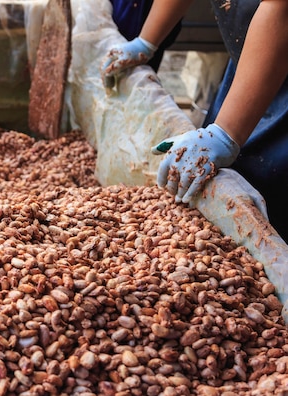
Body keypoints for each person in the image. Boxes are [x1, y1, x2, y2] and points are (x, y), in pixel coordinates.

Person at [101, 0, 288, 239]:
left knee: (276, 209)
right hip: (250, 58)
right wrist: (146, 42)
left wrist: (227, 132)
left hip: (274, 53)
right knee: (220, 181)